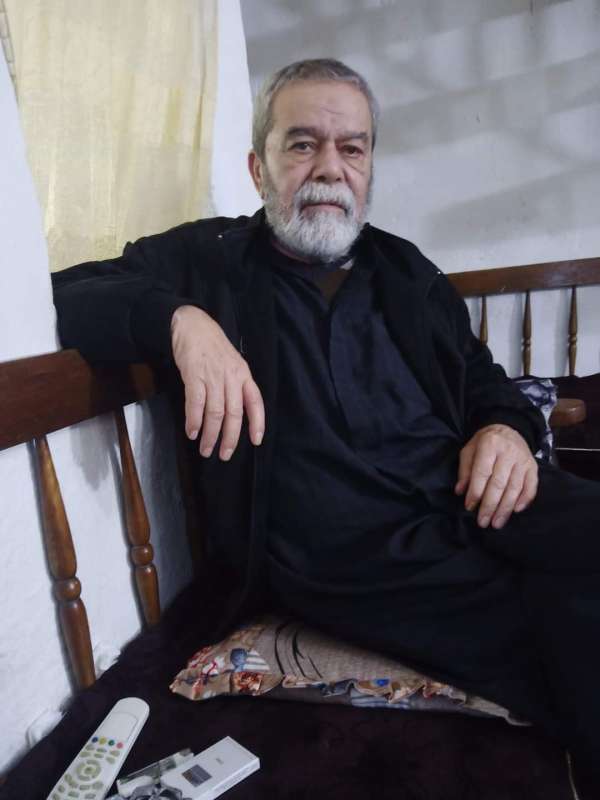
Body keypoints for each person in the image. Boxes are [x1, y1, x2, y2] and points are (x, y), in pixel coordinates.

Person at [52, 59, 600, 794]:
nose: (329, 169)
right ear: (258, 168)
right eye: (303, 144)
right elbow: (65, 290)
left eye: (352, 148)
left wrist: (503, 429)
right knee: (562, 617)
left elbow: (484, 381)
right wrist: (180, 320)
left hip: (475, 495)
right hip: (354, 549)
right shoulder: (209, 261)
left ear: (369, 168)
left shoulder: (406, 270)